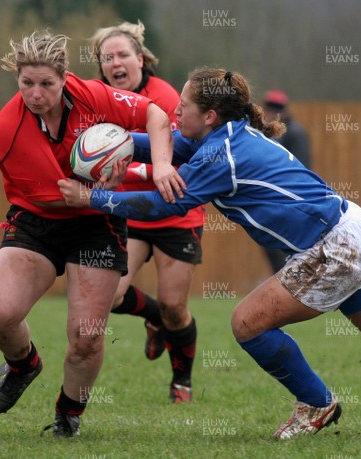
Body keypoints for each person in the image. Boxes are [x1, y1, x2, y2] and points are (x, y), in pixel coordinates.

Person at [59, 67, 361, 439]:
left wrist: (93, 198)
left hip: (334, 246)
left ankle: (317, 402)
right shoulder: (225, 135)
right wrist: (119, 144)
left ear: (211, 116)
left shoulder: (222, 156)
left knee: (246, 323)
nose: (174, 112)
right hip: (352, 226)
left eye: (182, 107)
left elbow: (165, 204)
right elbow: (171, 145)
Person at [0, 29, 178, 438]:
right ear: (17, 80)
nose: (36, 94)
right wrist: (96, 190)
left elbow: (156, 116)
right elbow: (62, 196)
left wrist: (160, 165)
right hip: (38, 218)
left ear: (64, 77)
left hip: (95, 224)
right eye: (26, 84)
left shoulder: (92, 94)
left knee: (87, 336)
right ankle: (23, 363)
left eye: (46, 84)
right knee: (0, 314)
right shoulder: (9, 127)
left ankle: (67, 417)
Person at [89, 20, 204, 403]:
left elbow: (180, 159)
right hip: (131, 213)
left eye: (123, 54)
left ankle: (181, 382)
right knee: (112, 297)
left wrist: (134, 167)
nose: (116, 62)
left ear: (140, 59)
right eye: (109, 57)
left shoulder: (166, 97)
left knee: (175, 307)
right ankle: (152, 318)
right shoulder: (98, 101)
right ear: (102, 66)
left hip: (175, 212)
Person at [261, 89, 312, 273]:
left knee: (284, 259)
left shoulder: (295, 133)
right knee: (275, 256)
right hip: (272, 204)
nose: (269, 113)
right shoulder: (269, 132)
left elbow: (301, 168)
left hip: (286, 205)